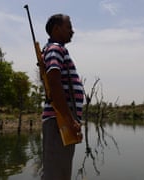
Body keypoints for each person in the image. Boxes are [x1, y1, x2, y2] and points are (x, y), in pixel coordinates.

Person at [41, 14, 84, 180]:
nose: (72, 31)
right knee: (55, 174)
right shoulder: (54, 49)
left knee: (62, 173)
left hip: (61, 121)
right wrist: (68, 118)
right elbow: (54, 81)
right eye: (69, 27)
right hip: (58, 121)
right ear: (56, 29)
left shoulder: (58, 49)